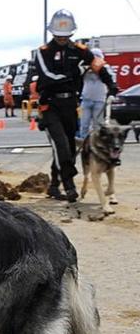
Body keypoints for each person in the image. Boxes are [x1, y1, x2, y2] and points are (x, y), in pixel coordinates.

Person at [33, 10, 116, 201]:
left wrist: (110, 84)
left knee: (68, 148)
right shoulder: (43, 52)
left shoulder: (79, 50)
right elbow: (47, 77)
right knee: (60, 144)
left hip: (70, 105)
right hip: (50, 105)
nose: (63, 39)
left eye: (66, 36)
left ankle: (54, 185)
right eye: (59, 36)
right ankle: (69, 187)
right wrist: (74, 73)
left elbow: (98, 66)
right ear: (52, 33)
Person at [78, 48, 118, 139]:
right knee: (84, 124)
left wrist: (112, 94)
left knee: (98, 124)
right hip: (86, 98)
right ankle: (84, 142)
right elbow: (78, 78)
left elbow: (112, 81)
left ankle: (97, 141)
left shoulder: (106, 68)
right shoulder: (84, 68)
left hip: (100, 99)